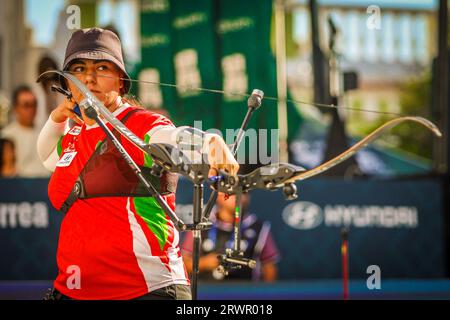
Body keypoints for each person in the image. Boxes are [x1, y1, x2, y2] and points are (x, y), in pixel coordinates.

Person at [37, 28, 238, 300]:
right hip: (73, 292)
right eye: (79, 69)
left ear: (121, 80)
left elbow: (172, 136)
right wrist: (57, 117)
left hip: (145, 290)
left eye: (102, 67)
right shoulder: (77, 132)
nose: (89, 78)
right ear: (68, 82)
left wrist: (209, 143)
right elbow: (48, 156)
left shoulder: (140, 123)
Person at [181, 192, 280, 282]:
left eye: (244, 192)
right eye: (232, 193)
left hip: (245, 293)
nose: (239, 197)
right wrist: (205, 263)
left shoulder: (258, 227)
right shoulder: (200, 224)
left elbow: (270, 268)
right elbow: (183, 264)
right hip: (207, 292)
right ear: (219, 196)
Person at [1, 86, 49, 177]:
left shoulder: (46, 132)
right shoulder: (6, 136)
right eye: (26, 105)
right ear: (16, 108)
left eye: (34, 104)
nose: (31, 109)